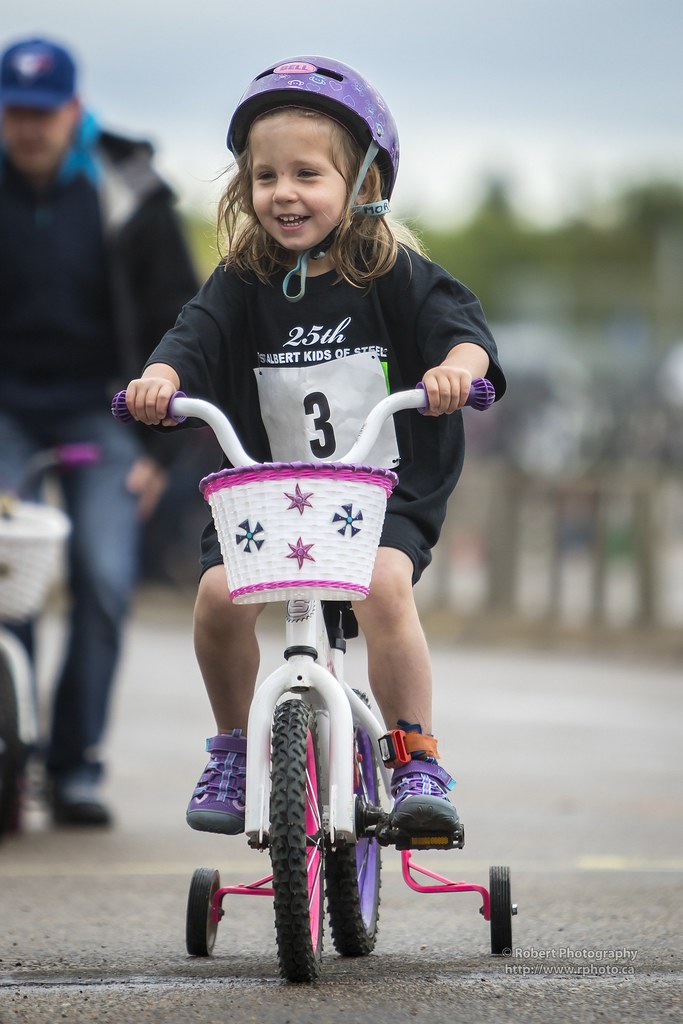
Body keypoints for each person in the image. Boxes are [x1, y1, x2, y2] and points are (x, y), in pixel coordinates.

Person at [125, 56, 506, 837]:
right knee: (216, 596)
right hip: (266, 492)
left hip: (382, 490)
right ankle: (233, 747)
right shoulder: (240, 279)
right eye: (265, 176)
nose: (283, 192)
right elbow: (190, 339)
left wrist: (454, 373)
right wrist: (159, 379)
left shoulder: (394, 272)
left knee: (382, 585)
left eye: (307, 173)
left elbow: (464, 336)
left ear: (361, 183)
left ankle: (415, 758)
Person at [0, 37, 198, 825]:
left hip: (105, 407)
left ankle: (75, 765)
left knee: (103, 574)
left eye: (44, 113)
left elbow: (180, 321)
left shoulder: (130, 191)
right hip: (5, 408)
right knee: (6, 576)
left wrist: (158, 451)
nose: (29, 128)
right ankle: (8, 754)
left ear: (75, 110)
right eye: (15, 112)